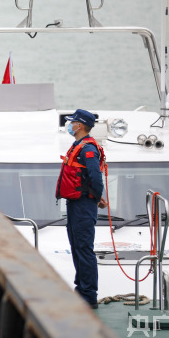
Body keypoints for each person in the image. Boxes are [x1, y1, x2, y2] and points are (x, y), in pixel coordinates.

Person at [55, 109, 108, 309]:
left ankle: (89, 295)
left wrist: (95, 198)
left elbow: (95, 177)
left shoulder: (88, 149)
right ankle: (81, 290)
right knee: (77, 247)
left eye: (72, 122)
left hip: (84, 204)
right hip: (76, 203)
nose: (70, 125)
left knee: (84, 249)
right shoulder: (78, 145)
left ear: (80, 125)